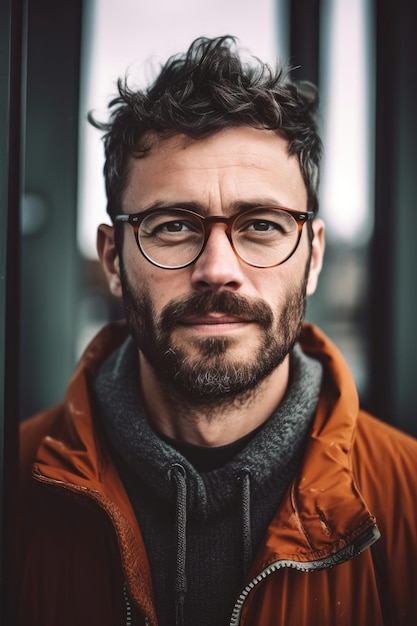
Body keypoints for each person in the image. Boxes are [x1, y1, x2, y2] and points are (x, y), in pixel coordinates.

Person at [12, 35, 417, 626]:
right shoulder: (13, 484)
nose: (217, 270)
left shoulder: (408, 497)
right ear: (112, 260)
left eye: (261, 225)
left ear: (315, 256)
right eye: (173, 225)